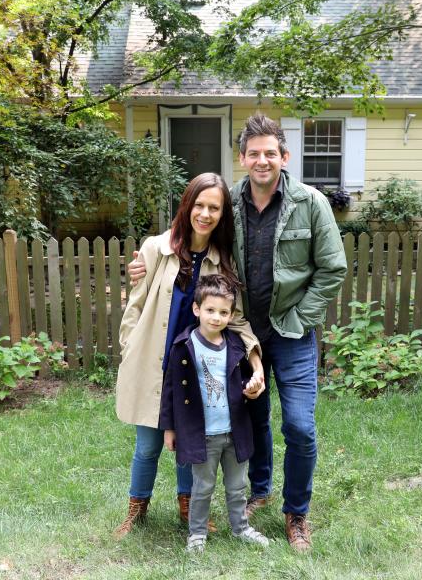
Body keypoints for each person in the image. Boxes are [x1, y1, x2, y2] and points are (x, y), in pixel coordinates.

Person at [129, 114, 347, 551]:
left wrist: (302, 317)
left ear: (284, 156)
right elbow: (194, 230)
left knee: (300, 427)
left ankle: (296, 514)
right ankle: (259, 490)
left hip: (292, 334)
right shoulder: (230, 202)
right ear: (242, 159)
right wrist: (146, 258)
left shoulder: (310, 203)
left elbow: (332, 269)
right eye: (253, 153)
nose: (262, 160)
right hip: (243, 338)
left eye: (271, 153)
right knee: (253, 420)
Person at [114, 172, 265, 539]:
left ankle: (188, 505)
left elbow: (236, 317)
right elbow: (134, 307)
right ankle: (137, 508)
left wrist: (255, 359)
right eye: (199, 204)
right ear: (187, 205)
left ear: (221, 214)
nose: (205, 213)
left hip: (196, 367)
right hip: (153, 362)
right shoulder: (155, 249)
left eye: (214, 207)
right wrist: (129, 347)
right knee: (148, 445)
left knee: (190, 439)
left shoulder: (222, 259)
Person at [160, 274, 271, 552]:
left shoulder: (235, 345)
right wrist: (170, 429)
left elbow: (248, 382)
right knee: (203, 487)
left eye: (223, 312)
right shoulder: (183, 346)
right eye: (210, 310)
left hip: (234, 431)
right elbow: (170, 390)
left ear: (231, 315)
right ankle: (197, 534)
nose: (216, 317)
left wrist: (252, 385)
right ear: (197, 309)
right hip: (202, 434)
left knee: (237, 486)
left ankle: (241, 527)